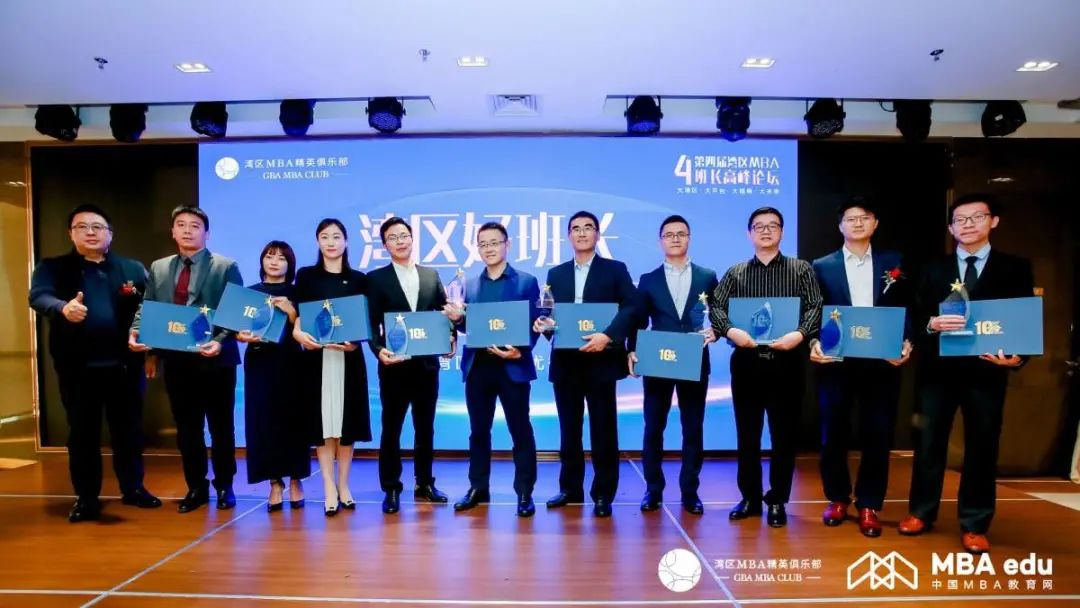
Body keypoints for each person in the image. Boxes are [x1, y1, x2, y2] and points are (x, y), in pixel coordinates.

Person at [899, 193, 1034, 554]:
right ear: (950, 228)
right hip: (937, 373)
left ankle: (975, 523)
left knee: (982, 447)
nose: (968, 224)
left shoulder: (1015, 267)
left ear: (994, 221)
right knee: (928, 444)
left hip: (987, 371)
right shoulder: (932, 268)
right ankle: (921, 512)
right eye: (961, 219)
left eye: (977, 217)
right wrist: (931, 323)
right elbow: (914, 314)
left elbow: (1023, 320)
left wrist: (1018, 357)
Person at [29, 204, 162, 522]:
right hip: (78, 368)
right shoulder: (53, 267)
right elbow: (38, 296)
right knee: (82, 434)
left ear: (110, 234)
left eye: (97, 226)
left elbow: (151, 307)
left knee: (129, 431)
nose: (90, 232)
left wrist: (151, 351)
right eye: (82, 226)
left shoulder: (131, 269)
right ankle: (86, 498)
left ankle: (133, 488)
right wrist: (62, 308)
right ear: (70, 233)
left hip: (125, 366)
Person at [710, 206, 823, 528]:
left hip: (787, 362)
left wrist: (799, 334)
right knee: (747, 435)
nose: (766, 231)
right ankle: (749, 497)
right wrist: (730, 330)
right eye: (759, 226)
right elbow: (716, 306)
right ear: (749, 233)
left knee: (783, 436)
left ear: (782, 232)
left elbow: (815, 306)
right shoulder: (736, 273)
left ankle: (777, 500)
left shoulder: (800, 269)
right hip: (746, 363)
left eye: (773, 225)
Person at [809, 196, 912, 538]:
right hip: (836, 362)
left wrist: (907, 341)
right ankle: (837, 498)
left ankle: (869, 503)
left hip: (881, 361)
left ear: (875, 223)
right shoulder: (821, 266)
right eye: (851, 218)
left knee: (878, 434)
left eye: (864, 217)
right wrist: (813, 343)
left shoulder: (893, 262)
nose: (857, 223)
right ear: (840, 225)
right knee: (833, 433)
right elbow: (812, 312)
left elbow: (907, 307)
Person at [129, 205, 242, 513]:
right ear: (173, 231)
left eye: (195, 225)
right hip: (178, 361)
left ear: (207, 233)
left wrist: (219, 341)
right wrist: (139, 336)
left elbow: (235, 310)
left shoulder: (225, 266)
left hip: (217, 360)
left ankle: (225, 485)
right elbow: (148, 307)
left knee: (221, 427)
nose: (188, 230)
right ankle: (196, 486)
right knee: (187, 428)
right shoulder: (159, 267)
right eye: (181, 224)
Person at [535, 211, 636, 518]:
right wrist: (544, 324)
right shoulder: (556, 274)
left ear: (597, 234)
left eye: (588, 228)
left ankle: (603, 493)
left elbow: (632, 308)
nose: (581, 233)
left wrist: (609, 336)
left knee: (604, 430)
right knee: (569, 430)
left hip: (602, 360)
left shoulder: (615, 270)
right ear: (569, 236)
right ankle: (570, 489)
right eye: (575, 228)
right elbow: (550, 314)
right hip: (566, 362)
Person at [444, 221, 541, 517]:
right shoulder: (470, 286)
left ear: (507, 244)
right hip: (479, 366)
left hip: (512, 365)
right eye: (483, 244)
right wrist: (458, 320)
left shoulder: (526, 282)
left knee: (520, 430)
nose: (489, 249)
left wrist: (521, 350)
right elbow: (468, 326)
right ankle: (478, 488)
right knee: (478, 432)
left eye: (494, 243)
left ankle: (524, 491)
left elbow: (537, 323)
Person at [628, 214, 719, 515]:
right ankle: (653, 489)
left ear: (689, 238)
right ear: (661, 241)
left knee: (692, 427)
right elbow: (638, 320)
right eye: (669, 234)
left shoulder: (707, 276)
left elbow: (720, 312)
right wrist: (632, 350)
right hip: (658, 360)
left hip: (694, 358)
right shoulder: (649, 279)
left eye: (681, 233)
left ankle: (690, 491)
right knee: (654, 426)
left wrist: (717, 330)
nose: (675, 239)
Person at [366, 217, 452, 514]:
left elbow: (443, 315)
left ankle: (424, 483)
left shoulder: (430, 275)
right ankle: (391, 487)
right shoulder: (376, 279)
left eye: (404, 235)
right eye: (393, 237)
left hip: (426, 366)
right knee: (391, 428)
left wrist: (450, 340)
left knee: (425, 427)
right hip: (394, 365)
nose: (400, 241)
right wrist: (378, 350)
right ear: (384, 245)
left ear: (412, 239)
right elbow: (370, 323)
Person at [292, 218, 372, 517]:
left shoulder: (359, 279)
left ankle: (344, 485)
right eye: (325, 236)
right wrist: (299, 334)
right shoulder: (307, 275)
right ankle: (327, 485)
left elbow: (364, 322)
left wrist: (355, 342)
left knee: (346, 425)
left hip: (348, 359)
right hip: (317, 359)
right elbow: (300, 317)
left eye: (337, 236)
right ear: (318, 241)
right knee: (324, 424)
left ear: (346, 241)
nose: (331, 242)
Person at [236, 241, 309, 512]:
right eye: (269, 256)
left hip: (291, 362)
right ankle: (274, 483)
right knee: (263, 421)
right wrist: (241, 335)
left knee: (294, 420)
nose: (274, 262)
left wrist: (291, 312)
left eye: (281, 258)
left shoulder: (298, 292)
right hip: (259, 362)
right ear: (262, 261)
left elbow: (309, 327)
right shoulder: (250, 294)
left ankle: (296, 480)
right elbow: (236, 329)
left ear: (290, 264)